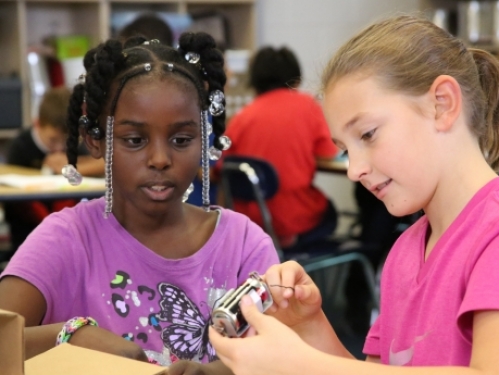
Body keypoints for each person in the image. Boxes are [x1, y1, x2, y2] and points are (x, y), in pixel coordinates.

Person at [209, 14, 499, 373]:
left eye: (368, 134)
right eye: (346, 149)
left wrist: (306, 366)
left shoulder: (492, 235)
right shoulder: (403, 253)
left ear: (442, 103)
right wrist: (310, 326)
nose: (353, 169)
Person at [0, 32, 279, 374]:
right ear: (95, 140)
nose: (160, 159)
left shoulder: (243, 246)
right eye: (135, 140)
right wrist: (67, 335)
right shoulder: (67, 240)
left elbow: (284, 358)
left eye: (181, 139)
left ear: (204, 139)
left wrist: (219, 371)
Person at [218, 46, 339, 252]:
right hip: (294, 218)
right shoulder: (307, 105)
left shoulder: (242, 117)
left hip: (251, 223)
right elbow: (330, 153)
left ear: (255, 82)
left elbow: (219, 166)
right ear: (296, 79)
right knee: (331, 212)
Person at [4, 86, 104, 251]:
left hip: (71, 236)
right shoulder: (19, 148)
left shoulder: (76, 147)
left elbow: (102, 164)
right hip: (27, 237)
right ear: (37, 124)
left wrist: (71, 166)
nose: (59, 148)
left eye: (66, 141)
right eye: (52, 140)